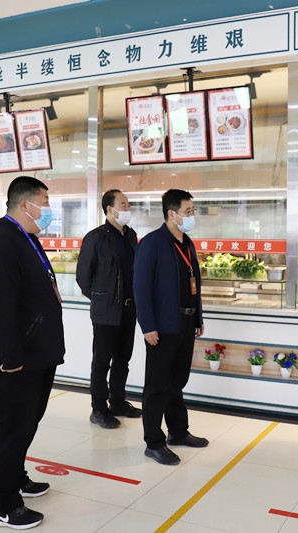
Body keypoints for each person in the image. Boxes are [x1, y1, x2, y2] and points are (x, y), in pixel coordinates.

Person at [0, 176, 65, 530]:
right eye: (45, 201)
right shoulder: (2, 242)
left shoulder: (25, 237)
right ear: (25, 204)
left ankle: (15, 478)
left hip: (36, 352)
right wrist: (11, 357)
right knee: (10, 429)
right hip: (14, 359)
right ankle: (1, 505)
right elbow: (1, 306)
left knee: (26, 423)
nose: (49, 209)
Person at [133, 189, 208, 465]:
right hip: (162, 326)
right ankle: (154, 442)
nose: (192, 215)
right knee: (157, 385)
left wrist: (198, 317)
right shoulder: (152, 243)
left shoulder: (187, 243)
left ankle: (178, 431)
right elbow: (141, 287)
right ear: (171, 214)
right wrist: (147, 325)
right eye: (188, 211)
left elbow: (194, 282)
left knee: (177, 381)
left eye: (192, 210)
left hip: (185, 322)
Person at [76, 189, 142, 429]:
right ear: (109, 209)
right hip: (106, 311)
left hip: (129, 308)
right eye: (123, 205)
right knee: (102, 361)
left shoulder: (130, 235)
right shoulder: (96, 238)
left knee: (123, 359)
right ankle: (98, 409)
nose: (127, 209)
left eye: (128, 205)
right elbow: (83, 277)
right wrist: (101, 299)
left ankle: (118, 402)